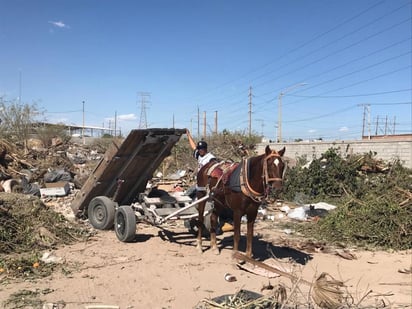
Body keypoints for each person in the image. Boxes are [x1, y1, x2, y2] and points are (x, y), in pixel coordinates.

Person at [185, 129, 234, 234]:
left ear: (205, 149)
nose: (200, 150)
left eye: (202, 149)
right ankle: (196, 221)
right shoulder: (199, 155)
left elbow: (214, 169)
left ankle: (213, 224)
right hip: (200, 184)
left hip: (207, 185)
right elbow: (193, 147)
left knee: (208, 205)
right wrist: (188, 135)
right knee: (194, 201)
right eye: (199, 149)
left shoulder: (210, 158)